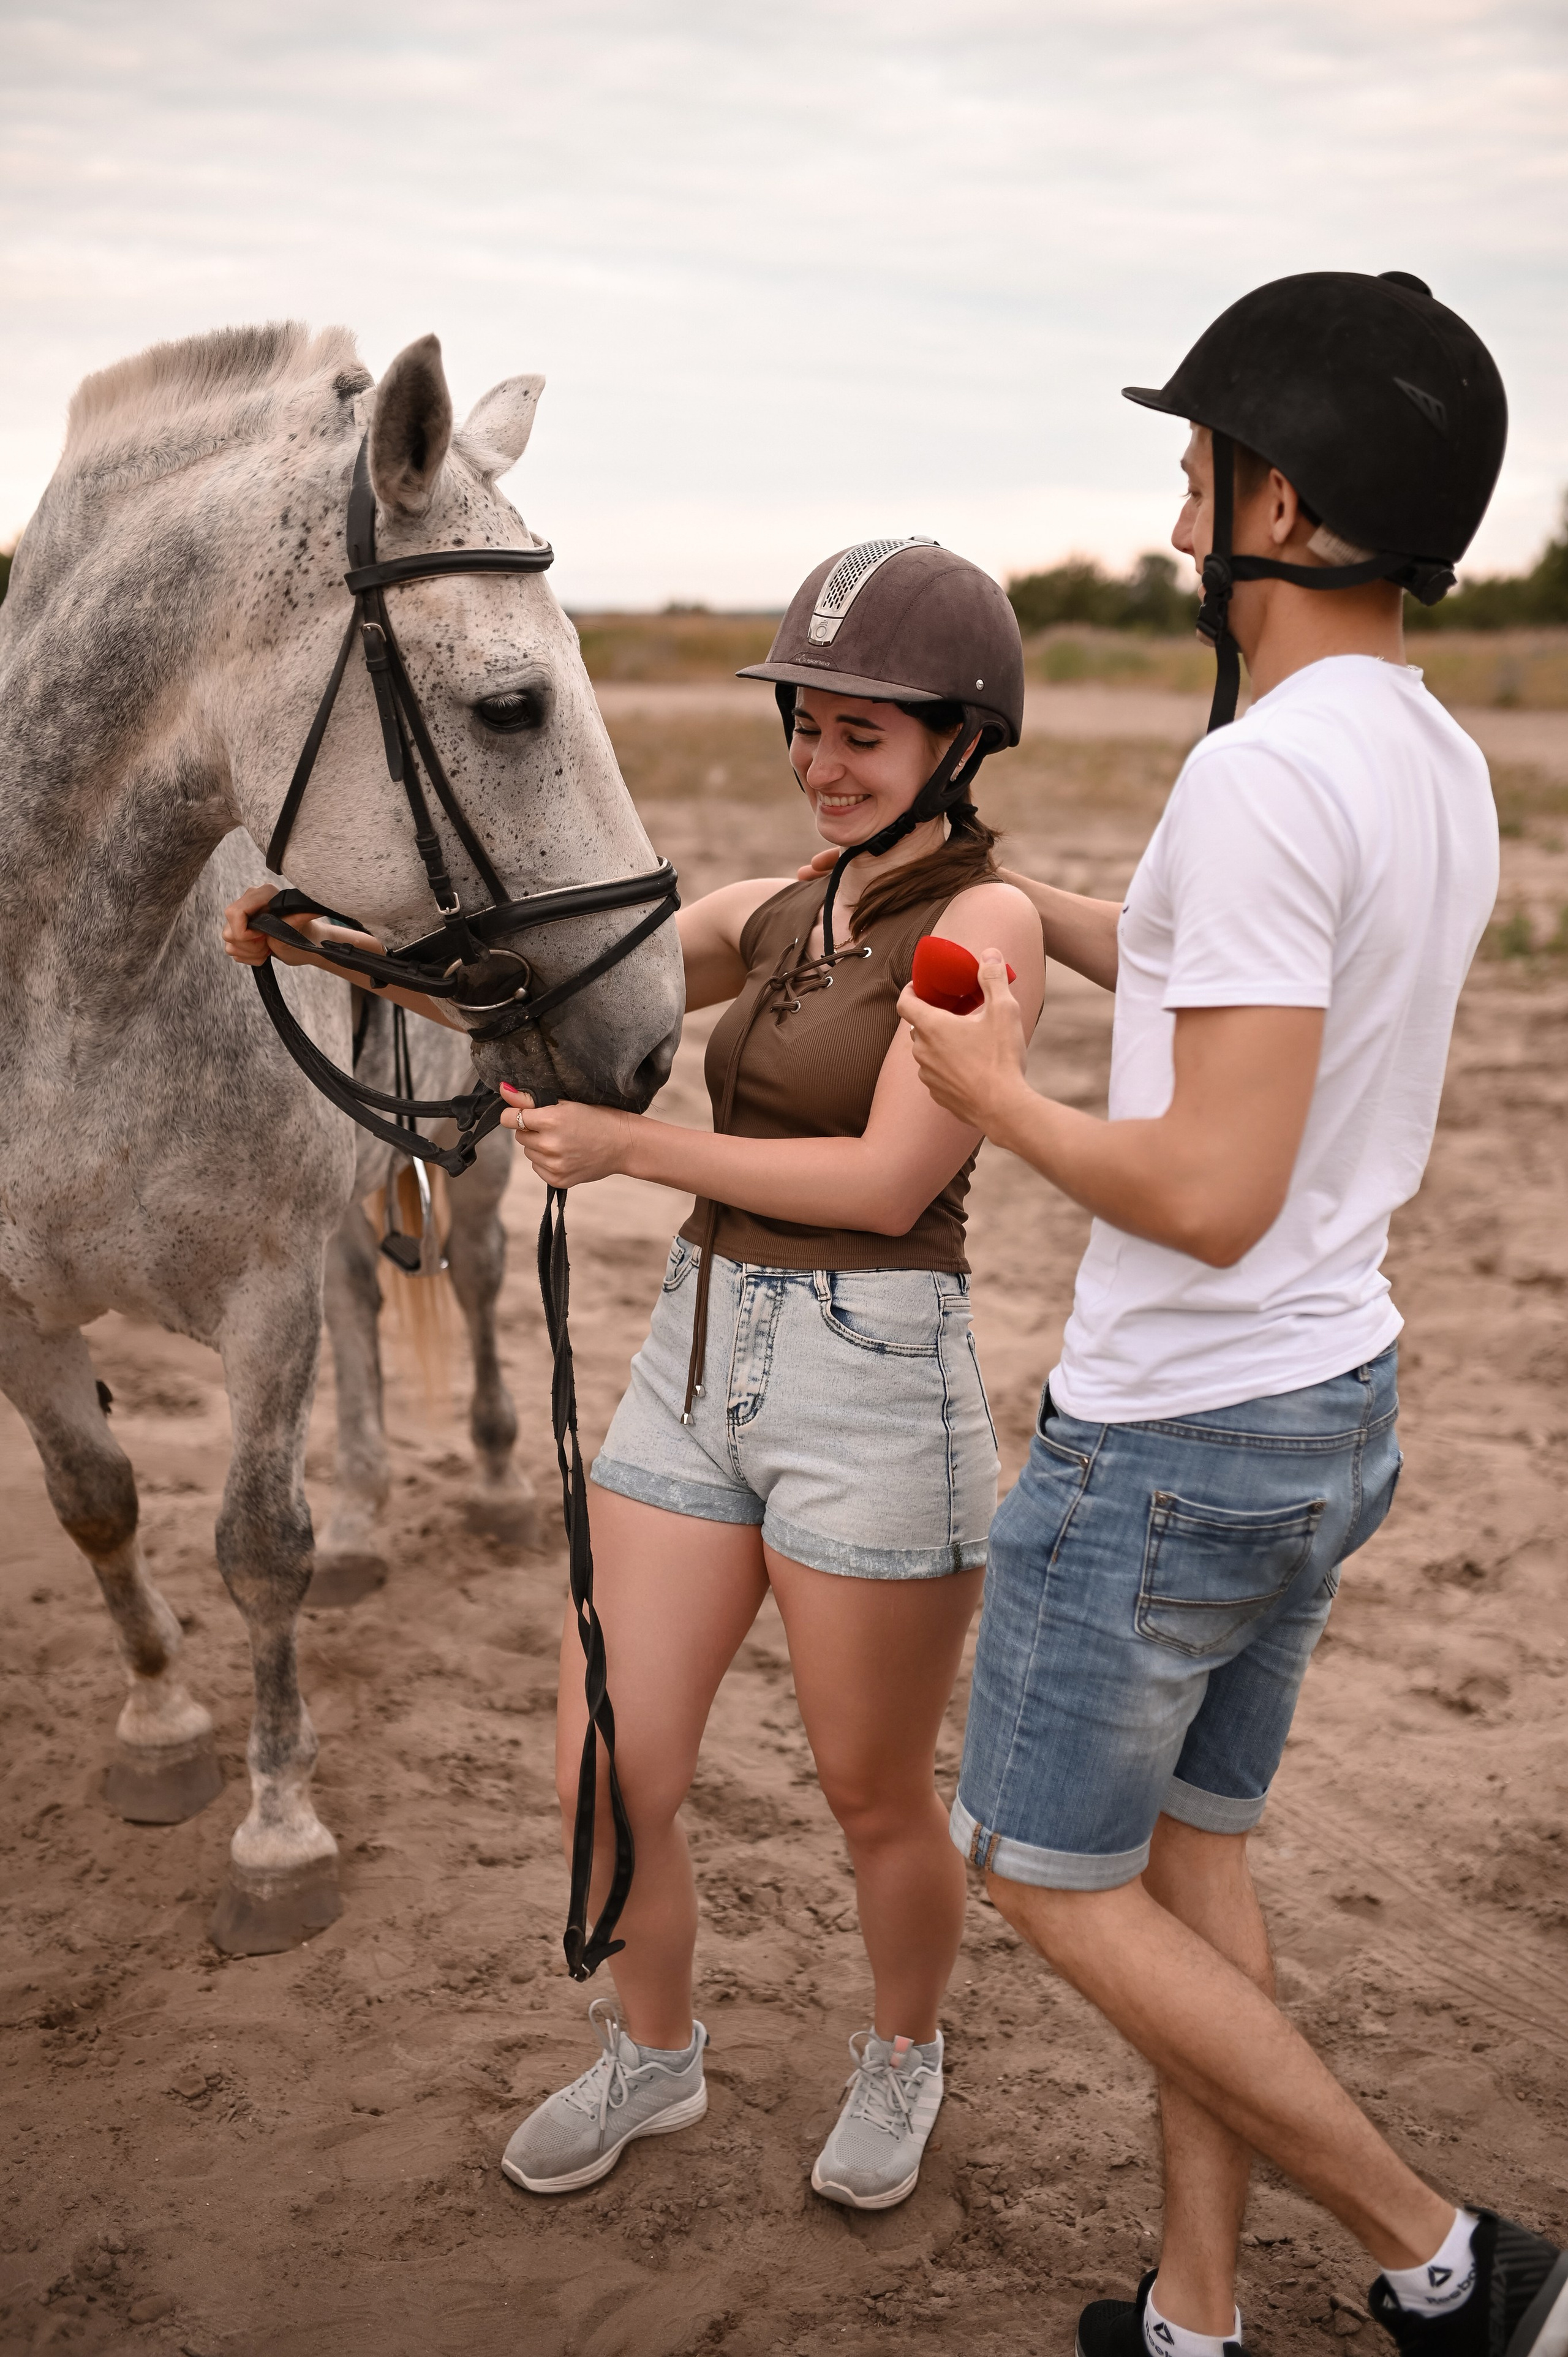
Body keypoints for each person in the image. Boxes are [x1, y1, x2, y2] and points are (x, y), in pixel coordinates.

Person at [897, 274, 1567, 2356]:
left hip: (1181, 1438)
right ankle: (1196, 2320)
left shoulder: (1267, 774)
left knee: (1035, 1868)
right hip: (1323, 1412)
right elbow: (1239, 974)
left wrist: (996, 1094)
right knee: (1192, 1864)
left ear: (1280, 498)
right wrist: (1019, 909)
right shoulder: (1426, 760)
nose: (1181, 527)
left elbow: (1208, 1183)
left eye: (1198, 479)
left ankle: (1447, 2263)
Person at [224, 538, 1044, 2211]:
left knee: (873, 1792)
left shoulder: (983, 928)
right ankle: (652, 2056)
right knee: (608, 1756)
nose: (821, 762)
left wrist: (633, 1145)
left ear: (959, 744)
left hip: (873, 1381)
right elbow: (545, 970)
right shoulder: (785, 906)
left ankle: (904, 2054)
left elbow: (895, 1182)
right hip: (697, 1360)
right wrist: (316, 943)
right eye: (806, 726)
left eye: (863, 736)